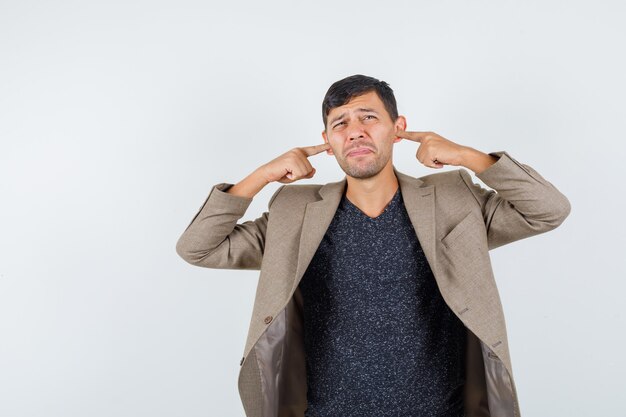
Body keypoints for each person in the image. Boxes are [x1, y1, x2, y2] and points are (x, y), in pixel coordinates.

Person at [176, 74, 571, 417]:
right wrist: (261, 176)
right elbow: (198, 247)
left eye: (369, 117)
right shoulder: (294, 212)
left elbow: (548, 210)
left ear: (398, 128)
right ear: (328, 141)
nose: (355, 131)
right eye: (340, 123)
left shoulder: (453, 198)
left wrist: (469, 157)